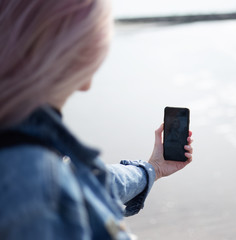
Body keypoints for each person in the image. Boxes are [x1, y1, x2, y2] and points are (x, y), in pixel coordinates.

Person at [0, 0, 193, 239]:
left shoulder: (33, 152)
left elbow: (91, 182)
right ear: (82, 62)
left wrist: (153, 169)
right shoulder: (40, 183)